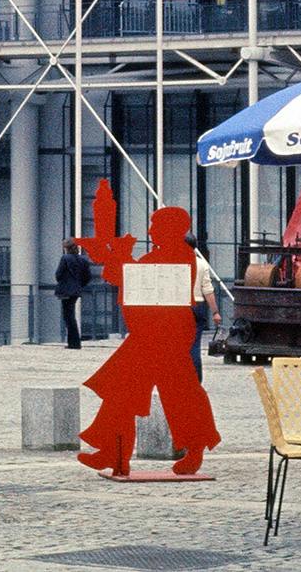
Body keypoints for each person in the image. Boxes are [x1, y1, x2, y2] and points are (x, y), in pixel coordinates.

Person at [73, 182, 218, 477]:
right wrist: (117, 255)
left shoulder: (180, 255)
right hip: (153, 336)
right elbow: (126, 278)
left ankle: (121, 452)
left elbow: (132, 278)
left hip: (166, 338)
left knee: (177, 394)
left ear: (173, 230)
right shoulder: (167, 255)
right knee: (125, 392)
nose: (150, 232)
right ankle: (115, 453)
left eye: (155, 226)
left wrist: (120, 255)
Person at [190, 237, 220, 382]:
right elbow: (208, 290)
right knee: (194, 345)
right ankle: (196, 379)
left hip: (177, 308)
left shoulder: (172, 263)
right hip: (197, 305)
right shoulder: (201, 264)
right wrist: (215, 312)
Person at [54, 240, 92, 351]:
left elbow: (58, 274)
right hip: (76, 290)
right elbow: (87, 277)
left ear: (66, 248)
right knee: (71, 316)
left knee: (68, 316)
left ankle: (74, 343)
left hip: (66, 290)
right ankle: (74, 342)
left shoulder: (65, 258)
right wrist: (79, 285)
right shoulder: (83, 260)